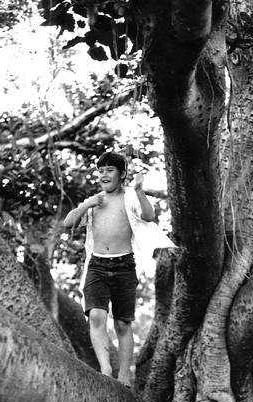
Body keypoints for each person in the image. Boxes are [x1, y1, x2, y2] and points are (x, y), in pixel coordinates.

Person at [64, 151, 175, 386]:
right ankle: (105, 367)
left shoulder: (130, 197)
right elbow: (68, 222)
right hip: (97, 265)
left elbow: (149, 215)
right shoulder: (95, 201)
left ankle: (125, 374)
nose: (104, 175)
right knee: (96, 315)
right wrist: (87, 204)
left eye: (109, 170)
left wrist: (139, 190)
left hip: (124, 265)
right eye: (101, 171)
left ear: (121, 174)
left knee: (123, 323)